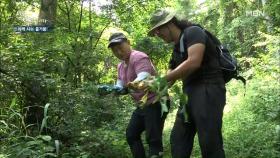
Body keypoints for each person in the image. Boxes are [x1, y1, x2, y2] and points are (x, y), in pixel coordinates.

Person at [148, 9, 226, 158]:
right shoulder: (176, 49)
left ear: (170, 23)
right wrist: (149, 88)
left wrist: (163, 79)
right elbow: (169, 77)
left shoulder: (193, 32)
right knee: (178, 140)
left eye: (158, 30)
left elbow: (193, 62)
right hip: (189, 95)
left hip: (208, 89)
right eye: (155, 32)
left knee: (210, 143)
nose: (157, 34)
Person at [107, 32, 169, 158]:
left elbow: (143, 76)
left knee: (153, 139)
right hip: (142, 105)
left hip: (156, 101)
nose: (118, 52)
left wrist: (134, 83)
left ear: (128, 43)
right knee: (132, 134)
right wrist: (113, 89)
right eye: (114, 50)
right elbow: (120, 85)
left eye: (120, 47)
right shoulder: (120, 65)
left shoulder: (138, 57)